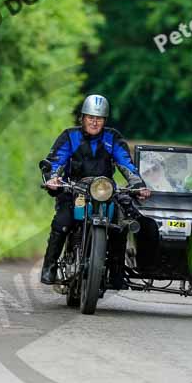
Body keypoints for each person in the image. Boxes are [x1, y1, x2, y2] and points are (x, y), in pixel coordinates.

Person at [40, 94, 151, 285]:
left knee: (120, 223)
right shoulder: (69, 136)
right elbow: (56, 161)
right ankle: (49, 267)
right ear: (82, 118)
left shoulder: (113, 137)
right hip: (74, 191)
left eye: (99, 118)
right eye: (90, 117)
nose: (94, 122)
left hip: (105, 192)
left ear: (104, 120)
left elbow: (126, 163)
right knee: (62, 222)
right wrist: (53, 179)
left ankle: (116, 273)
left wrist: (138, 184)